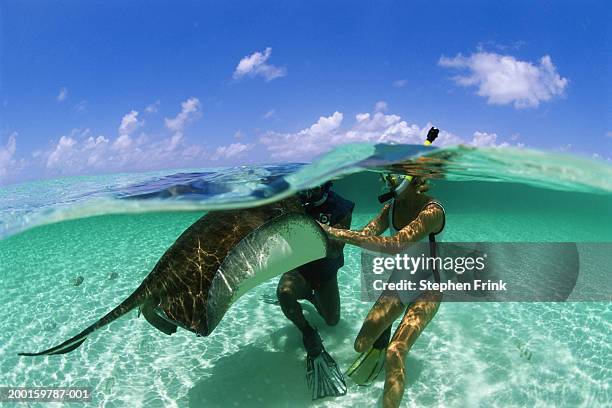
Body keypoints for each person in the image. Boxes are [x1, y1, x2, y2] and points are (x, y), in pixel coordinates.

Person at [319, 172, 445, 408]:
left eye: (394, 176)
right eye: (387, 176)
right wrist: (330, 232)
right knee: (361, 344)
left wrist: (336, 233)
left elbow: (396, 245)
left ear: (412, 177)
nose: (389, 181)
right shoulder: (390, 208)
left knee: (396, 353)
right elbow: (366, 235)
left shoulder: (432, 210)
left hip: (429, 287)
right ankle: (381, 338)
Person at [270, 181, 355, 400]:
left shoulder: (341, 207)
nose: (310, 189)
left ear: (328, 183)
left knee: (332, 321)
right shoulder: (292, 202)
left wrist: (308, 225)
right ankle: (307, 331)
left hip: (325, 273)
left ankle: (310, 296)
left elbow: (335, 251)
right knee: (285, 292)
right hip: (299, 271)